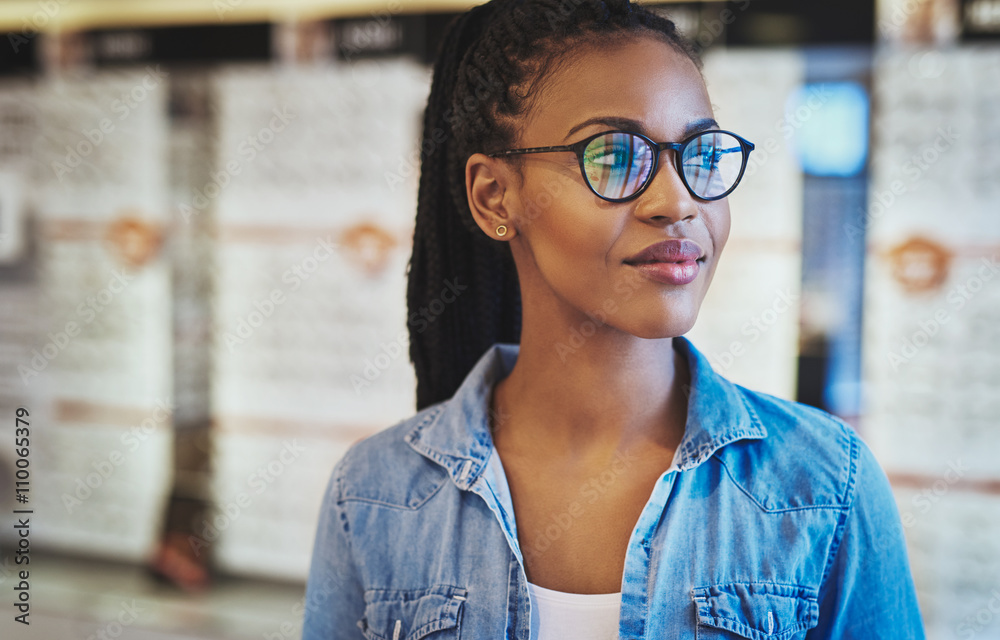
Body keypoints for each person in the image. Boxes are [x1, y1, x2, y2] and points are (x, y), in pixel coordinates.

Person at [303, 0, 926, 638]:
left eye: (701, 154)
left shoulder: (823, 485)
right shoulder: (373, 495)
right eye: (614, 156)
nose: (677, 201)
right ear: (495, 195)